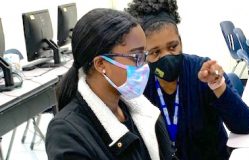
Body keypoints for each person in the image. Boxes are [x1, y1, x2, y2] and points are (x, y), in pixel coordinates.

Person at [126, 1, 249, 160]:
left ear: (181, 41)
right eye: (155, 52)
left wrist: (218, 86)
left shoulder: (202, 71)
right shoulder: (140, 86)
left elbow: (244, 125)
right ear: (144, 55)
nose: (166, 57)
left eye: (173, 47)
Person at [45, 8, 174, 160]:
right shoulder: (66, 133)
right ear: (101, 64)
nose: (144, 65)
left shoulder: (141, 110)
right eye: (136, 57)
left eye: (144, 55)